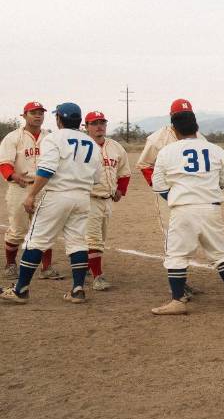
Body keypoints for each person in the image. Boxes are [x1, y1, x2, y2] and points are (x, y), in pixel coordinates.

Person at [149, 109, 224, 315]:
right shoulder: (215, 149)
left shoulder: (167, 151)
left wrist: (177, 198)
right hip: (210, 207)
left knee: (176, 255)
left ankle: (177, 300)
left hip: (183, 209)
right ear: (197, 127)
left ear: (174, 130)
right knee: (220, 252)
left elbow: (158, 185)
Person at [1, 103, 99, 304]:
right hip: (82, 197)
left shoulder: (54, 137)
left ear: (59, 119)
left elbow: (46, 170)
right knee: (77, 242)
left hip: (57, 195)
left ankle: (21, 290)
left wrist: (31, 195)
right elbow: (96, 177)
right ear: (80, 121)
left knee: (35, 240)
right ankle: (77, 289)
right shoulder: (91, 142)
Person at [137, 99, 205, 294]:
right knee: (174, 237)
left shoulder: (199, 137)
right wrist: (162, 190)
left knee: (192, 236)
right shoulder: (157, 139)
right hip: (169, 194)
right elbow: (145, 165)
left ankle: (182, 281)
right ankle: (178, 286)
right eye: (178, 115)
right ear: (171, 117)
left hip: (194, 195)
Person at [1, 101, 61, 280]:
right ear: (24, 115)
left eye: (41, 112)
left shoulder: (50, 137)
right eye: (33, 112)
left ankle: (46, 267)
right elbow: (4, 163)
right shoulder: (13, 137)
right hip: (20, 187)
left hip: (44, 187)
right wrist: (14, 176)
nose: (38, 115)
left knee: (45, 228)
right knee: (18, 229)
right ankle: (11, 264)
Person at [84, 111, 131, 290]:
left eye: (102, 122)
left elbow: (124, 171)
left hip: (107, 199)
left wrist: (121, 189)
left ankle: (86, 267)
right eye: (94, 123)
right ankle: (98, 277)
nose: (99, 126)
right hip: (88, 198)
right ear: (86, 127)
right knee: (93, 239)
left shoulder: (115, 147)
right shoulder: (83, 146)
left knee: (100, 238)